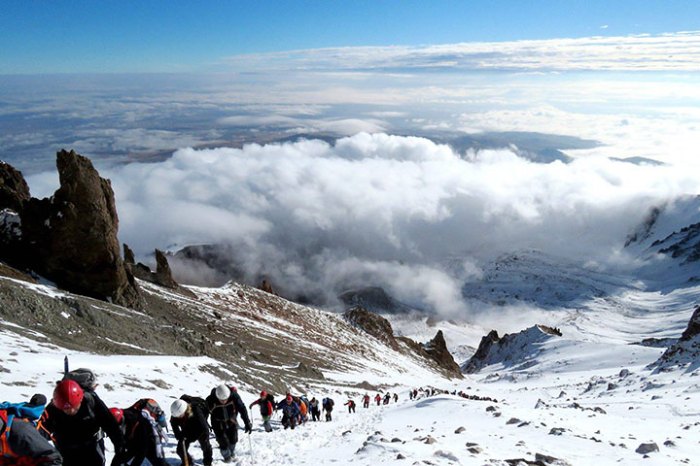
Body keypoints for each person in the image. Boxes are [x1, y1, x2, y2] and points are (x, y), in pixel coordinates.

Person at [41, 379, 125, 466]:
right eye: (66, 409)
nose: (71, 411)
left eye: (75, 406)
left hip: (92, 449)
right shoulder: (53, 409)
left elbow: (110, 424)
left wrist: (120, 447)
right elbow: (41, 431)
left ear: (80, 399)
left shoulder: (90, 401)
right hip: (66, 452)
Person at [111, 400, 168, 466]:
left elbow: (143, 449)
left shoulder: (137, 422)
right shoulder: (120, 420)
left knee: (159, 462)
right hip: (134, 440)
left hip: (150, 438)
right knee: (119, 460)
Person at [206, 384, 252, 463]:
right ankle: (226, 456)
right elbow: (204, 412)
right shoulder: (211, 399)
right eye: (221, 400)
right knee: (222, 441)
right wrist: (205, 425)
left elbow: (242, 408)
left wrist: (247, 422)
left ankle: (232, 452)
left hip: (231, 420)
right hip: (217, 422)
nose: (223, 402)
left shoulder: (234, 396)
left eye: (225, 399)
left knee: (233, 439)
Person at [170, 397, 212, 466]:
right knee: (180, 450)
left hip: (200, 428)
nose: (178, 418)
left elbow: (204, 428)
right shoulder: (176, 413)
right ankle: (188, 462)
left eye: (180, 416)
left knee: (206, 446)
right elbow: (173, 424)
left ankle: (208, 463)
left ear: (185, 410)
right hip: (187, 427)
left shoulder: (196, 411)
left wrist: (190, 438)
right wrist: (179, 436)